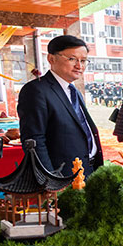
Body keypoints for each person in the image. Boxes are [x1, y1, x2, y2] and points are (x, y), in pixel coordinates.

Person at [18, 35, 103, 177]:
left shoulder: (74, 91)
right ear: (51, 59)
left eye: (83, 61)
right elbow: (34, 140)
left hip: (87, 170)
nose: (79, 66)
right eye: (72, 59)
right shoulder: (36, 90)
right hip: (62, 176)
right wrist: (51, 179)